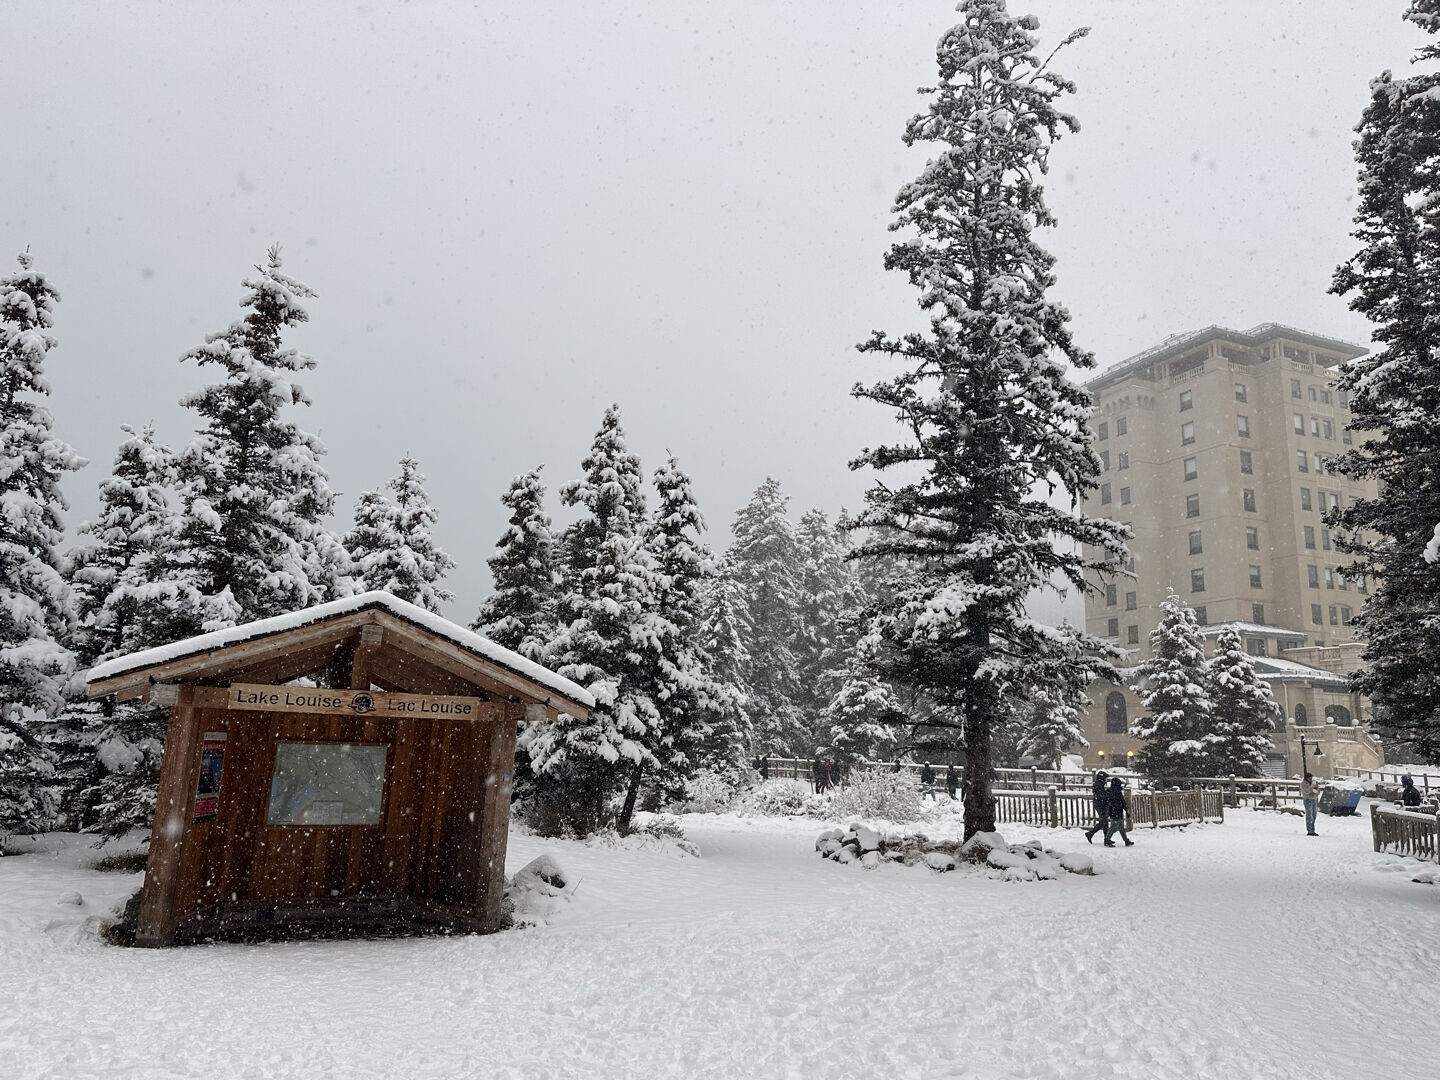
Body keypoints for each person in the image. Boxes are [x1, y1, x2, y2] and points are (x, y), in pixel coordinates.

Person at [1102, 777, 1134, 847]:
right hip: (1116, 811)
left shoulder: (1110, 791)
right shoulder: (1116, 792)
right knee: (1114, 826)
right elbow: (1122, 802)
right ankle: (1107, 840)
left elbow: (1108, 802)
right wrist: (1126, 810)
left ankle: (1126, 841)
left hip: (1114, 811)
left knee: (1121, 827)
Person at [1084, 770, 1109, 844]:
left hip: (1100, 804)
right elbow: (1101, 796)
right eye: (1105, 778)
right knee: (1104, 821)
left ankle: (1106, 838)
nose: (1106, 780)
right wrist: (1107, 794)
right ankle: (1091, 834)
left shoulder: (1099, 784)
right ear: (1102, 778)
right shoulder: (1098, 785)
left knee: (1104, 821)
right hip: (1100, 805)